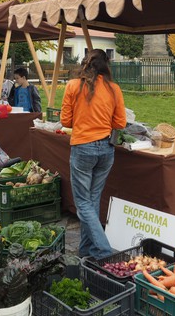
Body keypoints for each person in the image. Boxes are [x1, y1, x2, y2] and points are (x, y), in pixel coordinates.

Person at [60, 49, 126, 259]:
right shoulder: (113, 88)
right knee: (92, 200)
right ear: (106, 65)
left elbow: (65, 121)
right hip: (106, 148)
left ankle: (103, 250)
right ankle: (86, 250)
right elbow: (120, 123)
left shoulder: (72, 86)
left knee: (83, 203)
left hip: (83, 147)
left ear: (85, 65)